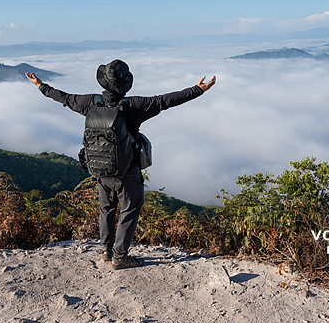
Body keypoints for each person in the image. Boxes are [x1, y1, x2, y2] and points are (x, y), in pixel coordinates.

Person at [26, 59, 216, 270]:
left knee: (106, 208)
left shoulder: (90, 102)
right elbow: (165, 101)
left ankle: (106, 251)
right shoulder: (134, 106)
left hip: (101, 169)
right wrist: (197, 90)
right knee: (130, 207)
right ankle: (120, 257)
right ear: (125, 84)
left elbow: (65, 98)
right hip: (127, 171)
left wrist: (41, 86)